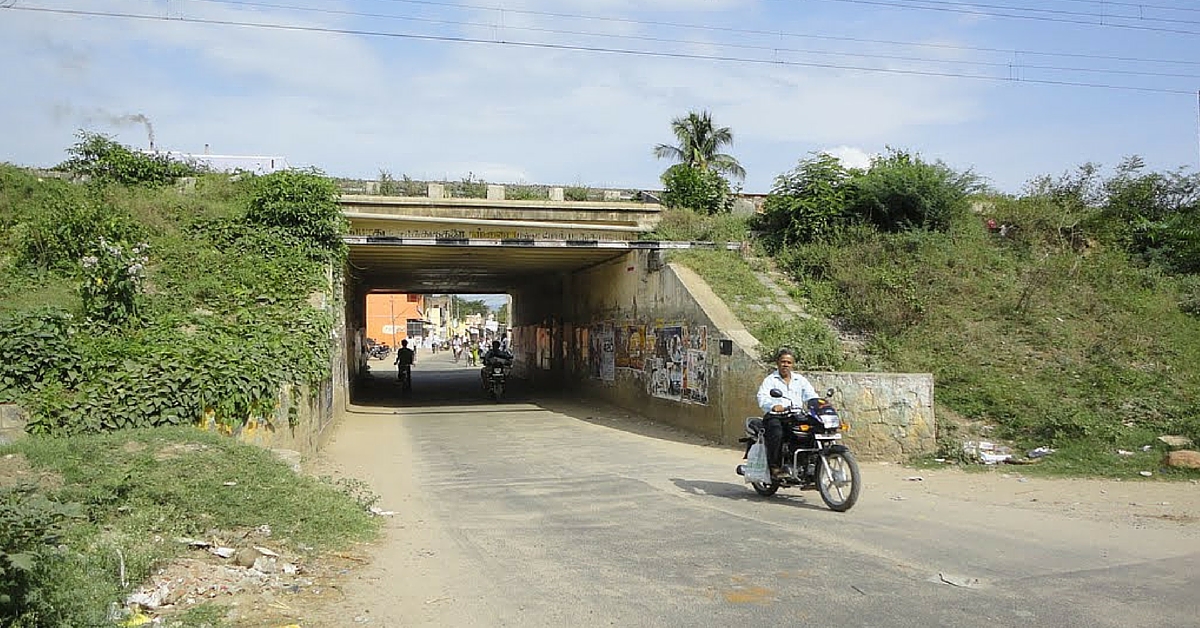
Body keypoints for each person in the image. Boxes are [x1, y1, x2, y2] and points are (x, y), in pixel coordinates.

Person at [755, 348, 817, 480]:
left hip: (795, 415)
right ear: (777, 363)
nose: (785, 365)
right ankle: (775, 467)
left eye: (789, 362)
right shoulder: (771, 380)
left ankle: (806, 464)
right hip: (775, 416)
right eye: (783, 362)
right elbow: (762, 397)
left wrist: (818, 404)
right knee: (777, 432)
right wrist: (773, 406)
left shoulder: (800, 380)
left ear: (792, 364)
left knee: (812, 431)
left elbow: (811, 396)